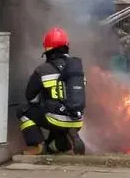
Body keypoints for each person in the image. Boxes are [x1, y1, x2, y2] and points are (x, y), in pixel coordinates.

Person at [16, 27, 86, 155]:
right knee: (54, 145)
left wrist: (44, 99)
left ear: (48, 50)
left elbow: (30, 97)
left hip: (56, 119)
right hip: (77, 119)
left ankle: (37, 145)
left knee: (23, 110)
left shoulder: (42, 70)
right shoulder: (76, 70)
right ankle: (63, 141)